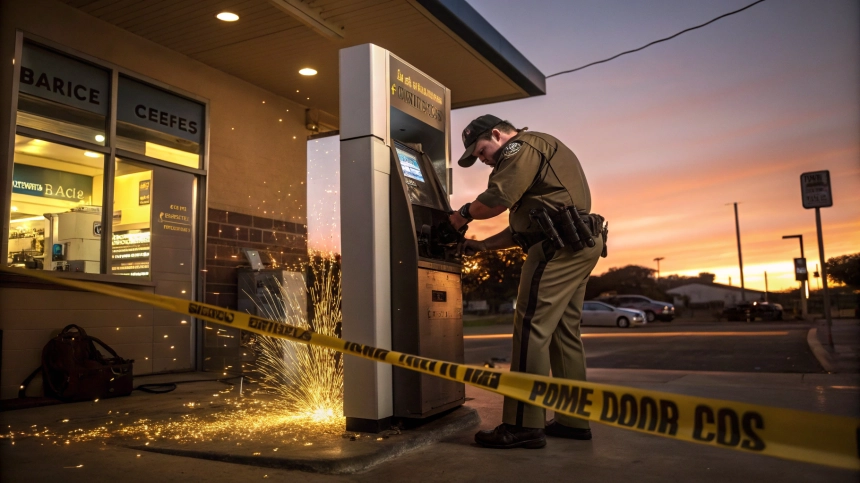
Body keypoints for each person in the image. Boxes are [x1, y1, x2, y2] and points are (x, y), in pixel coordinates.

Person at [449, 114, 606, 449]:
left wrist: (460, 215)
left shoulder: (521, 147)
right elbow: (528, 222)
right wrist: (486, 245)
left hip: (556, 249)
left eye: (481, 151)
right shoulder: (537, 150)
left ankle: (523, 424)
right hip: (578, 242)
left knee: (531, 327)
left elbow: (498, 198)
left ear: (496, 134)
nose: (483, 159)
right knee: (564, 333)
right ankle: (573, 419)